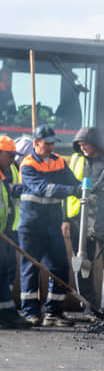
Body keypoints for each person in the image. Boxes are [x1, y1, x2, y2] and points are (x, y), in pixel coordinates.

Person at [19, 125, 81, 327]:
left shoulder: (59, 162)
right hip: (32, 226)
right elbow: (44, 189)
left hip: (51, 225)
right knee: (31, 268)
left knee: (60, 267)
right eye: (48, 143)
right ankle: (31, 312)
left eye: (53, 142)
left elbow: (74, 183)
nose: (52, 146)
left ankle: (54, 312)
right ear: (36, 143)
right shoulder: (28, 165)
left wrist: (84, 188)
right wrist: (71, 189)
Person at [63, 127, 104, 319]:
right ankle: (89, 306)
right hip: (80, 218)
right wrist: (65, 218)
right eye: (79, 145)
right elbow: (67, 190)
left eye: (85, 144)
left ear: (96, 143)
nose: (82, 148)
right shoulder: (76, 160)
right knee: (83, 263)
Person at [0, 135, 30, 329]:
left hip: (3, 233)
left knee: (3, 272)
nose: (13, 160)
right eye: (9, 155)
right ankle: (8, 315)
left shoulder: (3, 175)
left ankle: (7, 314)